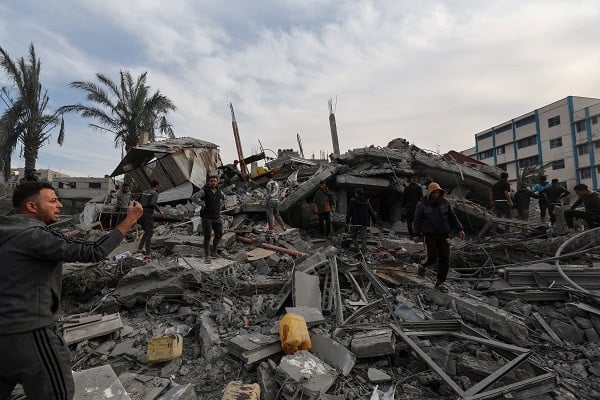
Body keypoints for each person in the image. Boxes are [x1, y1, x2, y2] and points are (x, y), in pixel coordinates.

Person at [0, 181, 142, 400]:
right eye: (53, 200)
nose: (60, 206)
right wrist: (129, 220)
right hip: (32, 334)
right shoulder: (34, 235)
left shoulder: (7, 231)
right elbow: (94, 251)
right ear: (31, 206)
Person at [412, 182, 465, 293]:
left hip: (444, 234)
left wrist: (460, 229)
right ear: (430, 193)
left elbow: (452, 216)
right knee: (432, 256)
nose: (436, 195)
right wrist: (416, 234)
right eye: (434, 193)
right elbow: (417, 220)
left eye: (438, 192)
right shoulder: (421, 205)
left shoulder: (445, 203)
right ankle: (422, 264)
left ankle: (440, 282)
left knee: (445, 258)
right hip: (429, 235)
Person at [191, 174, 225, 264]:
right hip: (206, 217)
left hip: (216, 216)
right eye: (211, 181)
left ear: (217, 182)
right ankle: (207, 256)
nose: (213, 182)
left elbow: (224, 198)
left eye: (215, 181)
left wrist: (220, 205)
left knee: (219, 234)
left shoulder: (219, 191)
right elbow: (194, 197)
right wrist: (203, 204)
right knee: (207, 236)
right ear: (209, 182)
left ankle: (214, 252)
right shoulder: (204, 190)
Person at [136, 180, 163, 259]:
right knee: (149, 233)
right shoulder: (155, 193)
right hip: (148, 214)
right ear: (157, 186)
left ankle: (140, 248)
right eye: (159, 186)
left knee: (146, 232)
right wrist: (159, 211)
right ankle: (148, 253)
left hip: (141, 214)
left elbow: (136, 200)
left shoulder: (143, 192)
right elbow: (153, 203)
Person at [346, 188, 377, 254]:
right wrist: (374, 222)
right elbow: (372, 213)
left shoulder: (352, 201)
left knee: (353, 236)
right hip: (364, 223)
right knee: (364, 238)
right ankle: (363, 252)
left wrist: (347, 222)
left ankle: (357, 250)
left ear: (356, 194)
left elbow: (349, 212)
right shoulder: (367, 202)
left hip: (355, 222)